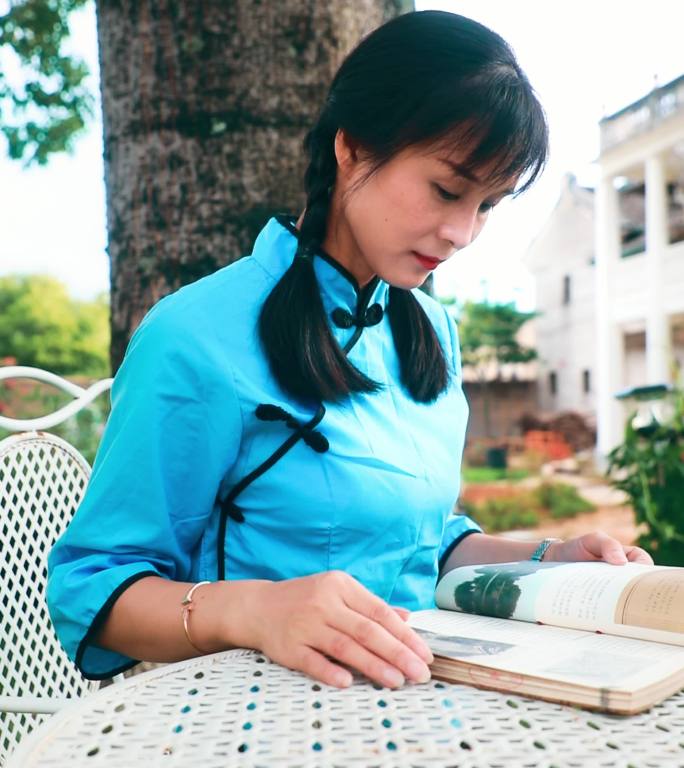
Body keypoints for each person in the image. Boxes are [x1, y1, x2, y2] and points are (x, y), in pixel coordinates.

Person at [47, 10, 652, 692]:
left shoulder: (430, 330)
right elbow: (90, 588)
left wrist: (550, 557)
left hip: (417, 705)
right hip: (244, 721)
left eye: (489, 205)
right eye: (448, 189)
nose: (461, 233)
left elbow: (417, 545)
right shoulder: (194, 337)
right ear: (354, 147)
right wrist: (258, 609)